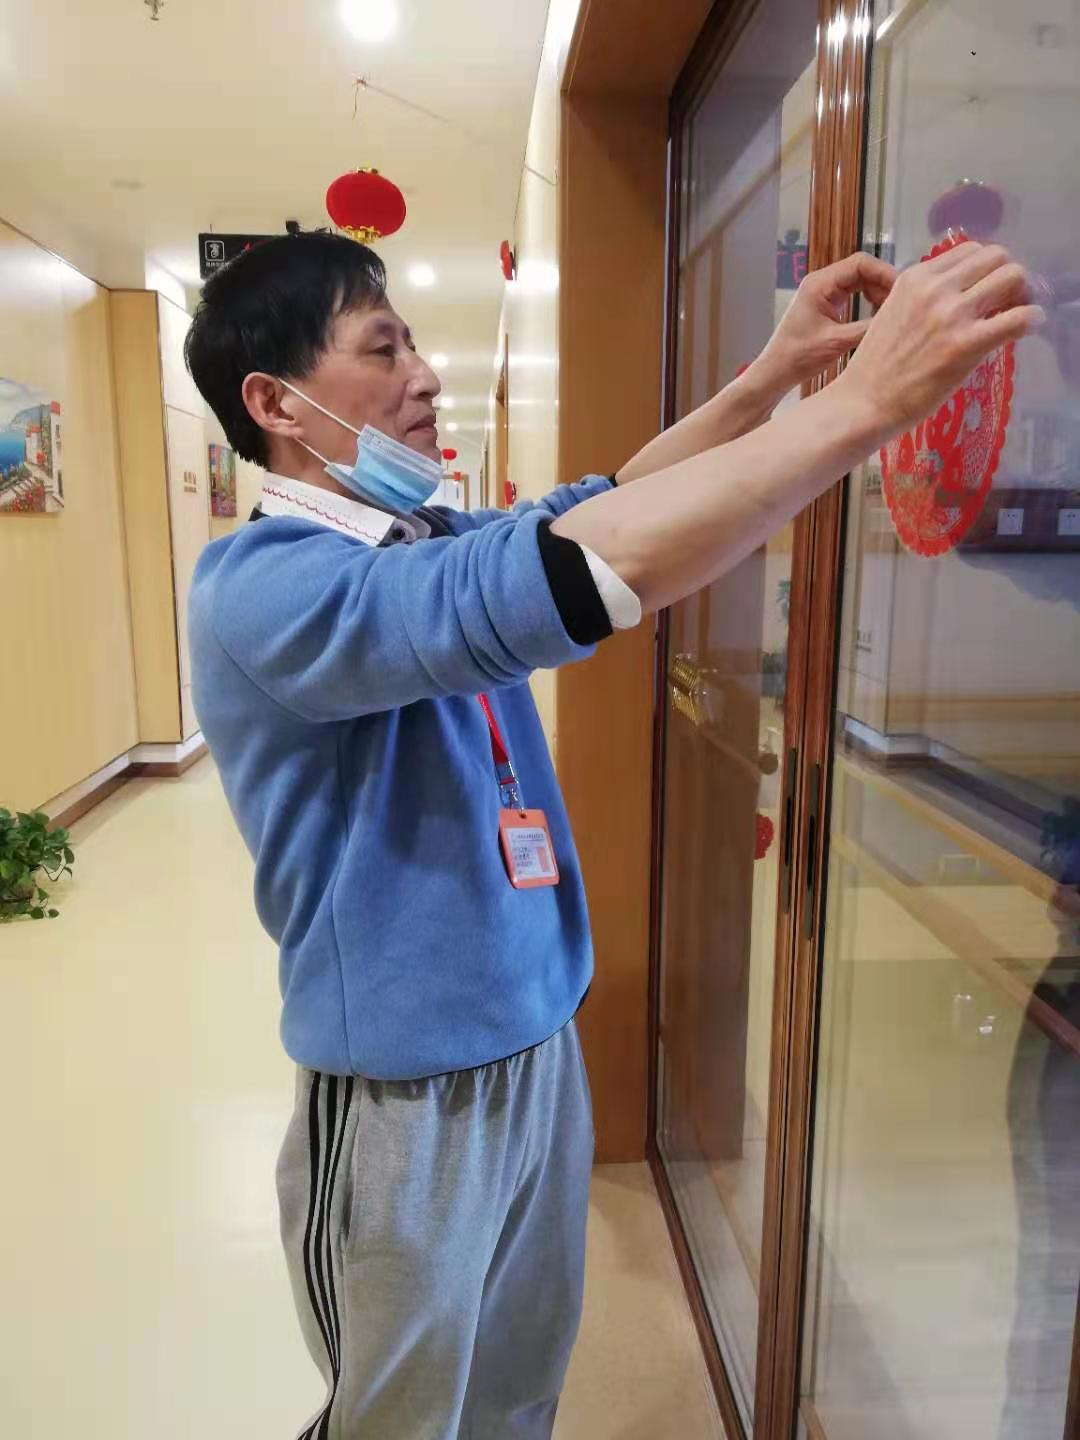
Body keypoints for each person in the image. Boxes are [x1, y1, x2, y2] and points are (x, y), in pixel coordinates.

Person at [184, 230, 1040, 1440]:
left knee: (519, 1387)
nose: (425, 374)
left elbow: (596, 511)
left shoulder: (418, 540)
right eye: (383, 349)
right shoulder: (263, 583)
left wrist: (770, 380)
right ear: (275, 403)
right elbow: (565, 572)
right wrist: (861, 410)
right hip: (401, 1093)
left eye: (415, 345)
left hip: (536, 1045)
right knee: (400, 1417)